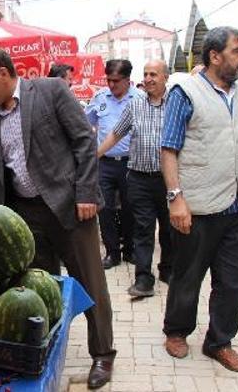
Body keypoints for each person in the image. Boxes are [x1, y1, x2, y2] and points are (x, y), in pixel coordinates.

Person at [0, 47, 117, 389]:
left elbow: (84, 142)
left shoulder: (51, 91)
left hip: (69, 206)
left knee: (90, 282)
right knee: (40, 289)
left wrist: (86, 194)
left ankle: (103, 354)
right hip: (25, 216)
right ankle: (46, 352)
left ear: (3, 74)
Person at [160, 27, 238, 372]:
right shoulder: (184, 92)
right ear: (215, 56)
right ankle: (176, 331)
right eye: (237, 51)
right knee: (188, 275)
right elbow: (169, 149)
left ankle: (219, 342)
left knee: (235, 279)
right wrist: (176, 199)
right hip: (198, 206)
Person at [96, 59, 174, 298]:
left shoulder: (176, 104)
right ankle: (143, 278)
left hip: (168, 179)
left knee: (169, 229)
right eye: (146, 73)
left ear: (165, 77)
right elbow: (116, 134)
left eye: (154, 74)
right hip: (139, 178)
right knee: (142, 228)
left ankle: (168, 269)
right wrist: (94, 156)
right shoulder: (136, 104)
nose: (149, 79)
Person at [85, 59, 139, 268]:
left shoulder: (140, 99)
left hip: (130, 162)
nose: (112, 85)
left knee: (130, 207)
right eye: (109, 80)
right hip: (104, 164)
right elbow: (85, 124)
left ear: (127, 80)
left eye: (116, 81)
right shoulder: (99, 98)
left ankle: (130, 251)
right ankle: (112, 252)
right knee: (104, 208)